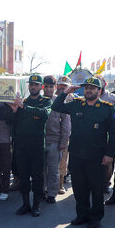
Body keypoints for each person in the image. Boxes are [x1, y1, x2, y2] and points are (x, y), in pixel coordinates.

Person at [52, 76, 115, 228]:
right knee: (79, 187)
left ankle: (95, 217)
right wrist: (66, 92)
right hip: (77, 155)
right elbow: (56, 107)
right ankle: (82, 214)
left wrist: (109, 154)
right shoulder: (76, 104)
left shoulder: (107, 108)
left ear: (99, 91)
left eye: (92, 88)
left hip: (96, 157)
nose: (88, 90)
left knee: (96, 188)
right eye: (86, 88)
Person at [11, 75, 52, 217]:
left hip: (37, 145)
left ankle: (36, 205)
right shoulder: (24, 101)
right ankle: (25, 204)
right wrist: (15, 110)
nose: (32, 87)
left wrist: (24, 106)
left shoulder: (45, 101)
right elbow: (13, 122)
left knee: (37, 177)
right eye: (31, 84)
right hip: (22, 145)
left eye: (35, 84)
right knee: (23, 176)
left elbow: (44, 114)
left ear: (41, 87)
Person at [42, 75, 71, 204]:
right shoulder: (38, 100)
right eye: (46, 86)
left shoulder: (59, 102)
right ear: (43, 87)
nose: (48, 89)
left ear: (55, 88)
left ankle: (52, 194)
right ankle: (41, 191)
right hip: (40, 141)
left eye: (51, 87)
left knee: (54, 170)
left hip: (55, 141)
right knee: (41, 170)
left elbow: (66, 124)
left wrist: (63, 142)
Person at [56, 76, 73, 195]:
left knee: (63, 160)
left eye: (65, 86)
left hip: (66, 133)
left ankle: (60, 183)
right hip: (52, 133)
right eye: (60, 85)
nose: (62, 87)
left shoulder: (72, 99)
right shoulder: (51, 96)